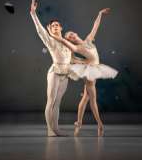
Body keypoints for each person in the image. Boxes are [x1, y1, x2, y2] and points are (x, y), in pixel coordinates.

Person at [48, 8, 118, 136]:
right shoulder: (76, 47)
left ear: (75, 33)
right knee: (93, 99)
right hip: (90, 72)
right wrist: (53, 36)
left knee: (85, 98)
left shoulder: (88, 40)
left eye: (71, 33)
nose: (71, 35)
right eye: (69, 37)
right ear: (71, 40)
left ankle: (79, 122)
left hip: (95, 68)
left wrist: (99, 14)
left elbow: (95, 26)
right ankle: (100, 125)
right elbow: (63, 41)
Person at [30, 0, 74, 136]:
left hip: (65, 74)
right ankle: (50, 130)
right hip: (55, 73)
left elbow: (72, 58)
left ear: (61, 28)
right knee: (51, 100)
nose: (55, 26)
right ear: (50, 29)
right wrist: (33, 13)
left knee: (58, 103)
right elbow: (40, 31)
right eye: (52, 25)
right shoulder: (50, 40)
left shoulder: (67, 42)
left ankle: (56, 128)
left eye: (57, 25)